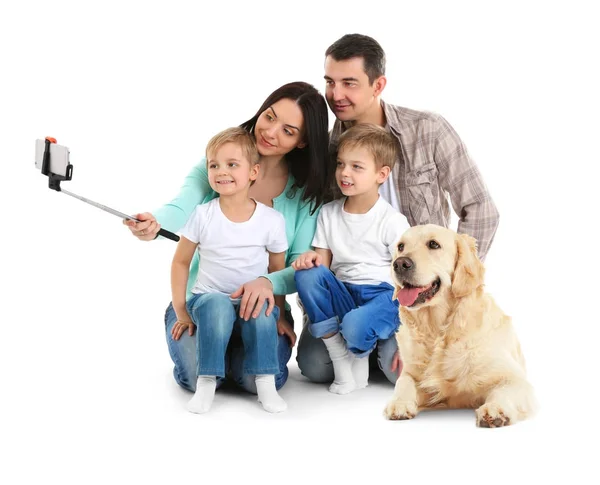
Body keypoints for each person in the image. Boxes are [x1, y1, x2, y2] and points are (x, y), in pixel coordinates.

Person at [297, 33, 500, 385]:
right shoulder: (325, 152)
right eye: (330, 82)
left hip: (411, 293)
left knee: (407, 374)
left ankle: (384, 342)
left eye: (349, 83)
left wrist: (449, 286)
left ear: (378, 84)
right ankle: (366, 340)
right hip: (348, 291)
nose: (336, 94)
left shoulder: (428, 130)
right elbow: (318, 239)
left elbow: (480, 209)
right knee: (314, 367)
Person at [124, 82, 331, 395]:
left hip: (260, 310)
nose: (271, 132)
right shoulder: (222, 162)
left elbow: (295, 266)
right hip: (202, 304)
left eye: (288, 131)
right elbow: (182, 205)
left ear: (302, 142)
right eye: (270, 117)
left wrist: (268, 286)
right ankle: (218, 356)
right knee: (197, 378)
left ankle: (231, 359)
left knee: (256, 381)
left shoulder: (304, 195)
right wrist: (154, 222)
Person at [172, 127, 289, 413]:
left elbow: (276, 273)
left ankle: (265, 383)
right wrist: (181, 311)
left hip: (251, 301)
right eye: (214, 165)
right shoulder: (203, 215)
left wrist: (282, 315)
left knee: (262, 308)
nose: (221, 171)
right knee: (216, 304)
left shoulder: (271, 220)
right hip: (208, 299)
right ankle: (206, 381)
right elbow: (180, 261)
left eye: (232, 164)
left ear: (254, 172)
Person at [293, 124, 409, 394]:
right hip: (343, 293)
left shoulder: (392, 221)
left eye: (357, 167)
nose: (344, 173)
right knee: (306, 274)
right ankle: (340, 355)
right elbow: (321, 265)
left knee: (359, 329)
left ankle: (365, 348)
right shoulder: (328, 213)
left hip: (382, 295)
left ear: (381, 174)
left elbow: (409, 278)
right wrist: (309, 259)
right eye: (341, 164)